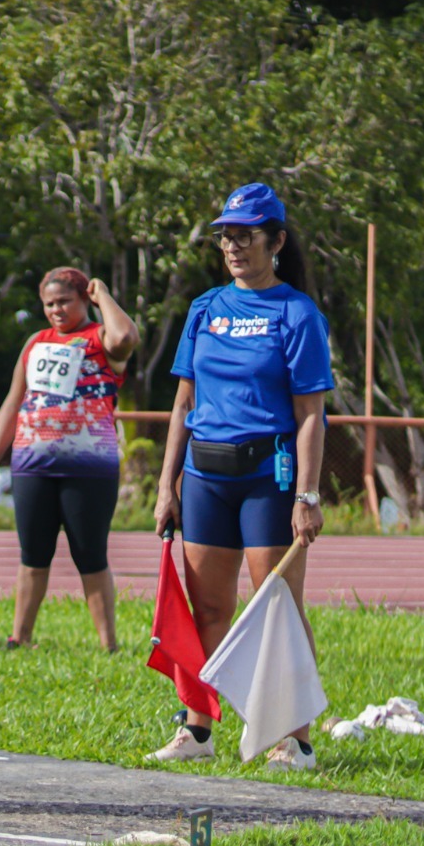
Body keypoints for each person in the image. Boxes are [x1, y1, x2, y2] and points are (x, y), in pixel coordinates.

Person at [148, 183, 332, 770]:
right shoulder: (205, 308)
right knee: (208, 608)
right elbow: (182, 403)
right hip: (205, 474)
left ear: (275, 241)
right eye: (226, 234)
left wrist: (306, 494)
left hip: (268, 477)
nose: (233, 245)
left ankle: (294, 738)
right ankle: (197, 731)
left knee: (275, 605)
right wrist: (165, 484)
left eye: (246, 234)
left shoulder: (297, 313)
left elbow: (311, 416)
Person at [0, 268, 140, 651]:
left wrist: (105, 298)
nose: (56, 310)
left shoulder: (100, 339)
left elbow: (126, 336)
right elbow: (12, 403)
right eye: (49, 304)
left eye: (65, 301)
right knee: (33, 554)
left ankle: (108, 644)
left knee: (90, 554)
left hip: (90, 467)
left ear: (85, 299)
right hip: (33, 464)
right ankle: (20, 637)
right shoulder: (36, 342)